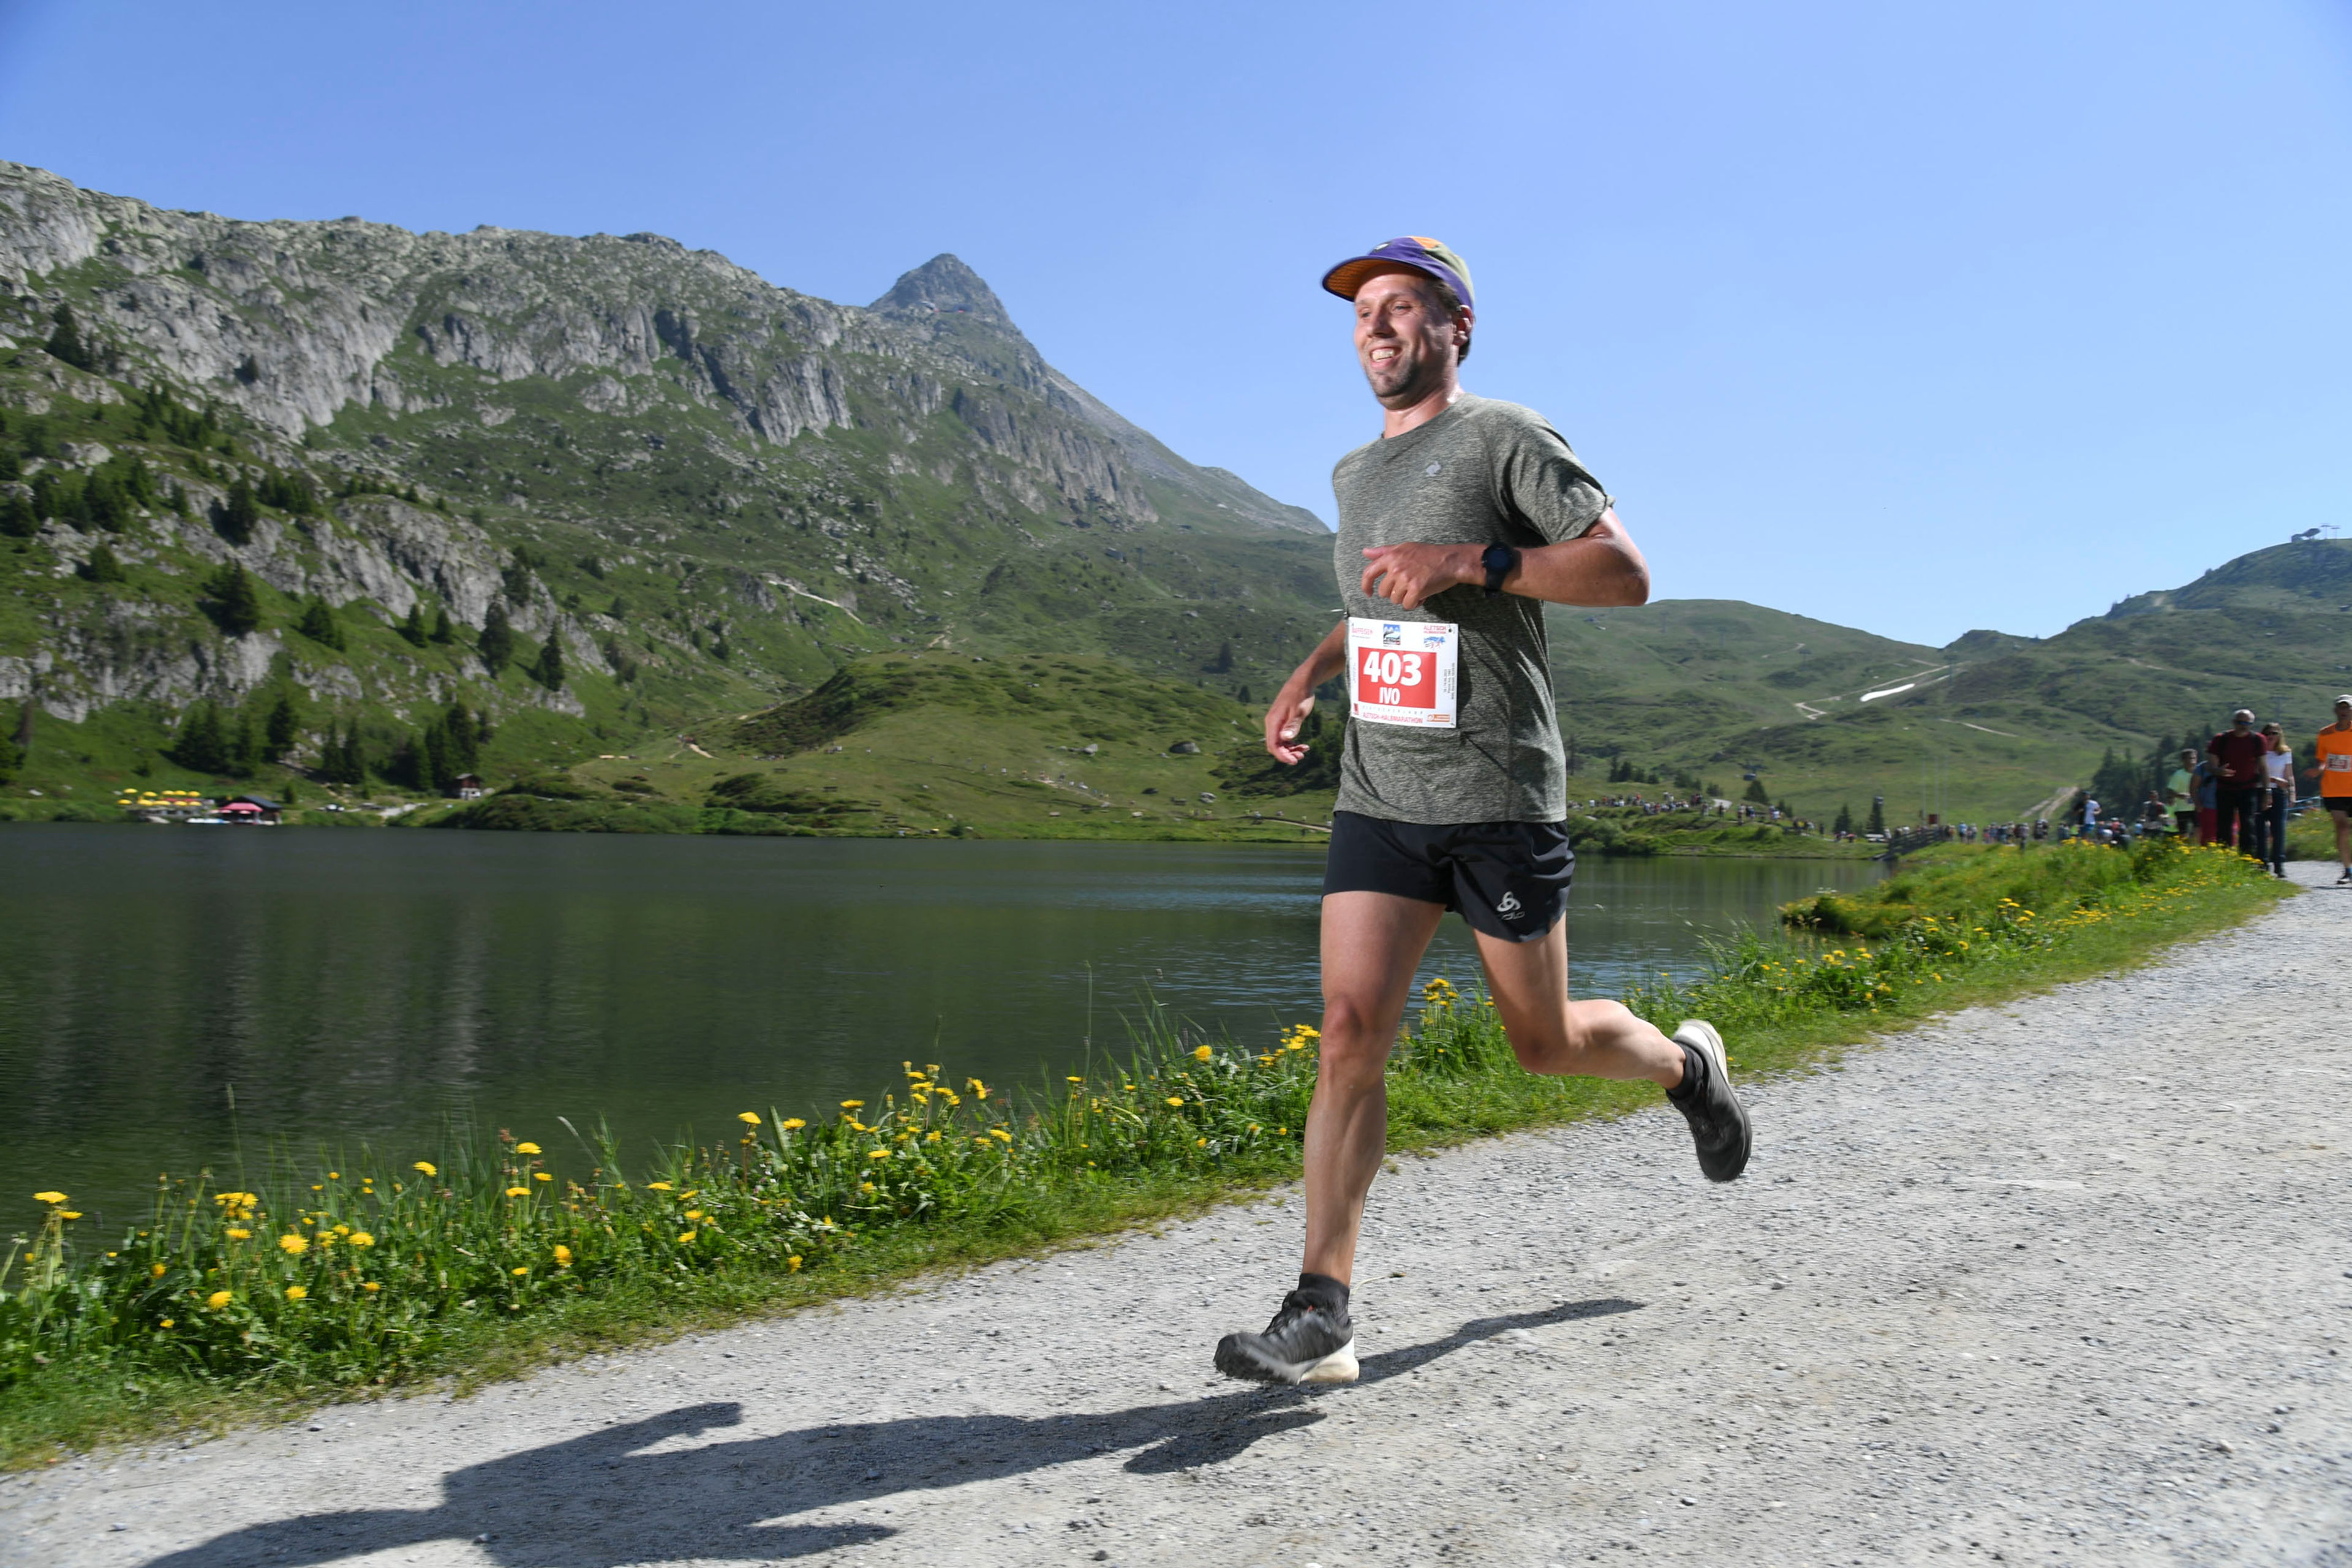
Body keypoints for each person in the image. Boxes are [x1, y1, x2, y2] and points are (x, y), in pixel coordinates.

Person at [1218, 236, 1749, 1386]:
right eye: (1364, 312)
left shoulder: (1506, 436)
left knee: (1542, 1044)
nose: (1379, 327)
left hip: (1498, 789)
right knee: (1350, 1033)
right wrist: (1311, 675)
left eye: (1405, 308)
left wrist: (1474, 558)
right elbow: (1376, 603)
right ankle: (1324, 1310)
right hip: (1382, 792)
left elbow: (1623, 572)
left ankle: (1687, 1071)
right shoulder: (1351, 477)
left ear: (1457, 329)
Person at [2208, 709, 2268, 859]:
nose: (2244, 726)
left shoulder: (2258, 740)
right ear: (2234, 723)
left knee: (2248, 825)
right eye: (2241, 723)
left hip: (2249, 789)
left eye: (2248, 723)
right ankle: (2224, 858)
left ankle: (2247, 859)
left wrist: (2267, 792)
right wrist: (2218, 771)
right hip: (2225, 789)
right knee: (2224, 826)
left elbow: (2263, 767)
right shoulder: (2220, 739)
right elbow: (2210, 765)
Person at [2307, 695, 2352, 885]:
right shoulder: (2324, 734)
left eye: (2347, 708)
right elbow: (2322, 759)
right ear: (2335, 711)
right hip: (2333, 789)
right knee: (2342, 829)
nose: (2344, 711)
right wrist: (2318, 769)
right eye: (2341, 708)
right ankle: (2348, 870)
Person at [2260, 722, 2293, 878]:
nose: (2270, 737)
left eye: (2274, 733)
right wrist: (2273, 778)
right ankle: (2263, 863)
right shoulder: (2259, 753)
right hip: (2260, 791)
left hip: (2279, 793)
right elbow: (2255, 772)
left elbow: (2289, 774)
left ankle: (2279, 865)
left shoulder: (2285, 753)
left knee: (2278, 830)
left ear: (2280, 735)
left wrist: (2292, 792)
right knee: (2260, 829)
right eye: (2267, 734)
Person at [2166, 748, 2198, 841]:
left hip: (2197, 807)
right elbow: (2169, 791)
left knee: (2198, 829)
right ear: (2184, 760)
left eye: (2194, 758)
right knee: (2183, 834)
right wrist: (2179, 795)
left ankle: (2194, 849)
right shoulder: (2178, 774)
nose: (2193, 761)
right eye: (2190, 758)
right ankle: (2184, 851)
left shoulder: (2199, 773)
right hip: (2182, 809)